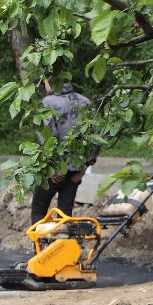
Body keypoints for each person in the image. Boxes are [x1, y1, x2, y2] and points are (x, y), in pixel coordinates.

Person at [29, 82, 97, 224]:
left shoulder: (48, 103)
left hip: (54, 172)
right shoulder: (85, 101)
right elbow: (96, 138)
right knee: (65, 215)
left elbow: (46, 137)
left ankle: (41, 245)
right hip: (75, 172)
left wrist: (53, 168)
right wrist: (84, 168)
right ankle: (63, 245)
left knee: (39, 210)